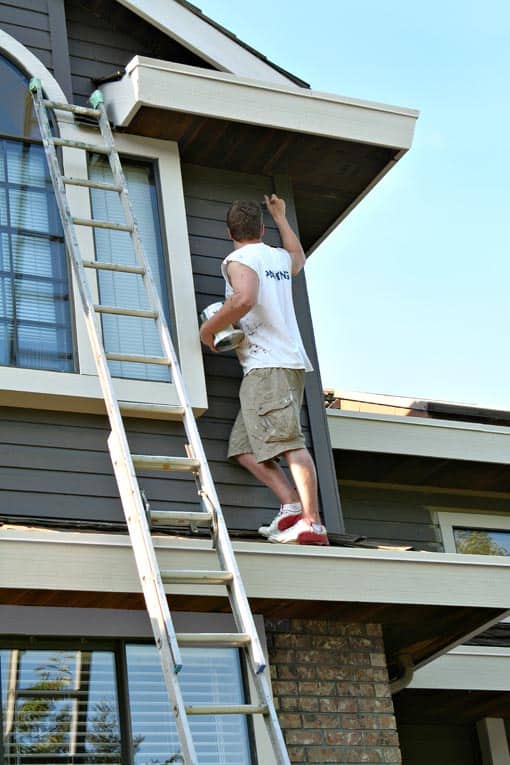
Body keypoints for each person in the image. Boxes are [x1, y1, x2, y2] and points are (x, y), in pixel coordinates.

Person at [199, 194, 329, 546]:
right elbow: (298, 259)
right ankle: (290, 505)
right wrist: (282, 217)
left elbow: (244, 298)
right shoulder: (275, 257)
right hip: (273, 366)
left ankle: (312, 522)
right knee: (244, 448)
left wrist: (208, 330)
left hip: (269, 364)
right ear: (260, 228)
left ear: (230, 232)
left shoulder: (238, 259)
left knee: (289, 443)